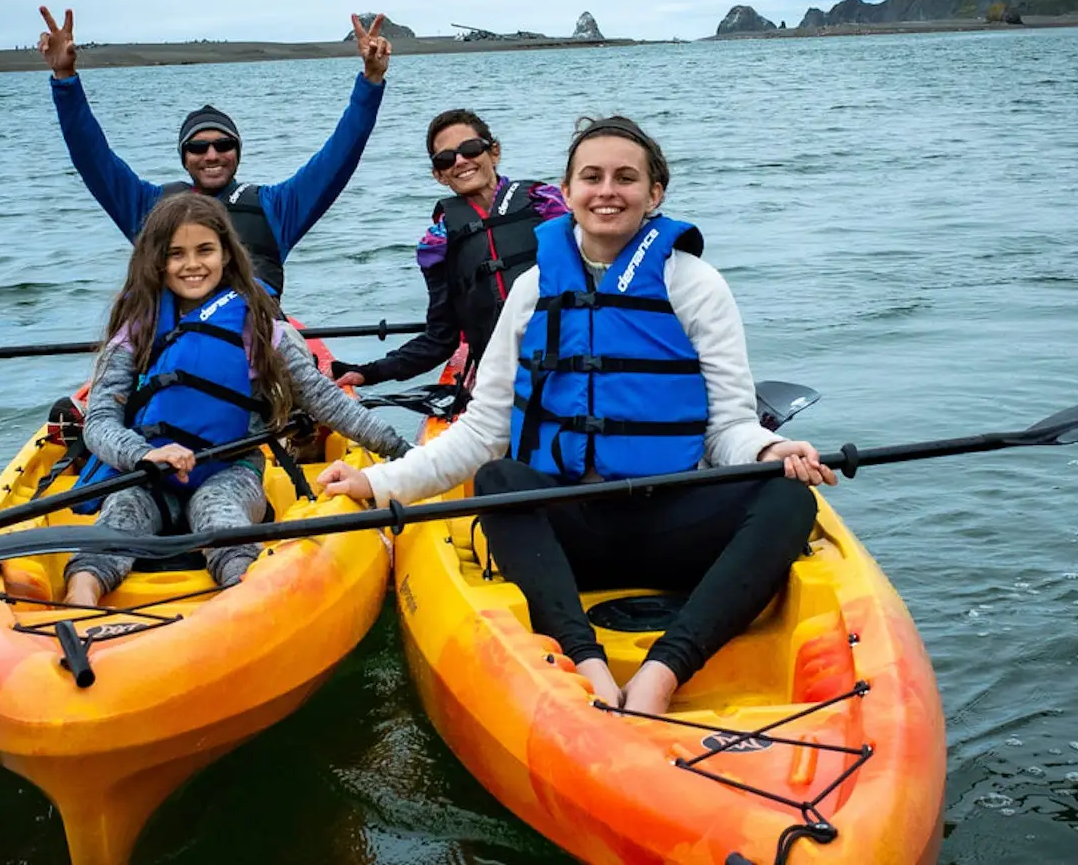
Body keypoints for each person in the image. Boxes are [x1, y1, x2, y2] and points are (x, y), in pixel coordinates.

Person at [317, 116, 837, 716]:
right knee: (498, 482)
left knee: (789, 498)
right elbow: (484, 433)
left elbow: (729, 427)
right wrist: (376, 483)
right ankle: (584, 660)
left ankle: (663, 673)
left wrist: (770, 452)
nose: (607, 191)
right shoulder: (533, 290)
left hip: (674, 525)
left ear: (655, 194)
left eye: (626, 178)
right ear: (567, 193)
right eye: (591, 177)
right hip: (570, 537)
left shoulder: (694, 284)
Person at [63, 193, 412, 607]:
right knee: (118, 517)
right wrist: (141, 456)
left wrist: (402, 451)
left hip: (231, 470)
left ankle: (241, 608)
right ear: (156, 261)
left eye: (204, 250)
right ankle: (77, 608)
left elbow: (326, 401)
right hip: (150, 472)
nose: (192, 264)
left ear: (226, 254)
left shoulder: (260, 327)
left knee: (218, 516)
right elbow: (99, 421)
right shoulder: (135, 331)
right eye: (176, 254)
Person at [37, 6, 393, 299]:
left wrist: (371, 81)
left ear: (237, 152)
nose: (211, 155)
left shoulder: (275, 207)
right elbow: (91, 156)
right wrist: (65, 78)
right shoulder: (147, 207)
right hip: (170, 357)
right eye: (197, 147)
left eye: (224, 145)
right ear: (184, 156)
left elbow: (340, 156)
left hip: (253, 357)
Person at [331, 109, 568, 392]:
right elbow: (441, 339)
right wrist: (369, 372)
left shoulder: (547, 204)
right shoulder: (437, 244)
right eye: (446, 159)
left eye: (470, 148)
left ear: (494, 152)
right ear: (439, 175)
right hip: (504, 380)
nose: (460, 161)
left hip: (568, 358)